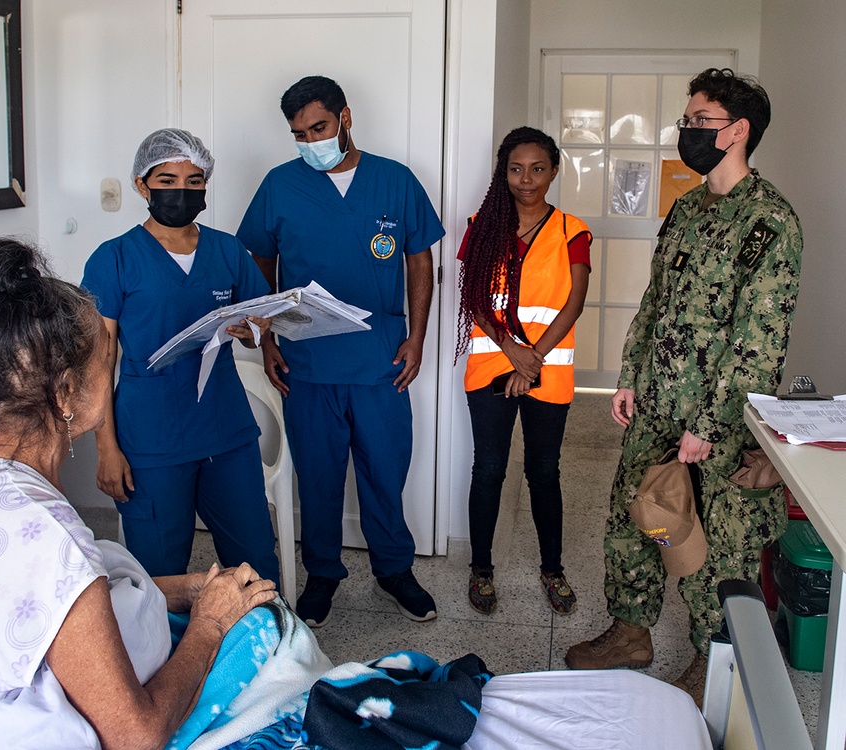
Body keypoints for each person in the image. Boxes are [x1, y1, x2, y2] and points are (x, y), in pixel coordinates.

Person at [0, 239, 278, 749]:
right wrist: (210, 622)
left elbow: (44, 603)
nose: (111, 367)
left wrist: (186, 588)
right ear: (66, 392)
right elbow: (136, 735)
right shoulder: (46, 534)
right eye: (106, 358)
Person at [565, 68, 803, 705]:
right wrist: (629, 379)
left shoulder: (770, 221)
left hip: (713, 422)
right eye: (687, 120)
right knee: (631, 519)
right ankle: (630, 631)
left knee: (707, 543)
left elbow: (758, 341)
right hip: (656, 404)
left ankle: (713, 656)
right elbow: (655, 303)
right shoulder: (687, 207)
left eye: (700, 121)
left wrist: (707, 425)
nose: (686, 131)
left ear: (738, 131)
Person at [236, 75, 445, 628]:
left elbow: (420, 260)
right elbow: (258, 262)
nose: (310, 142)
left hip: (380, 360)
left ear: (345, 117)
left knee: (384, 471)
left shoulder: (395, 182)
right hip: (308, 365)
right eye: (299, 134)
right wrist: (270, 339)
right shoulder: (280, 186)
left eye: (319, 128)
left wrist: (417, 337)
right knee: (319, 477)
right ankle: (323, 573)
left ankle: (394, 568)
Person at [81, 129, 279, 584]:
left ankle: (267, 649)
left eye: (194, 182)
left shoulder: (227, 250)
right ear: (141, 184)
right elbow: (98, 360)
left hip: (225, 431)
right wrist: (107, 448)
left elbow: (255, 332)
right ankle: (168, 655)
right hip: (151, 439)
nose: (181, 192)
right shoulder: (114, 259)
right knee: (159, 573)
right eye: (167, 180)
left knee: (254, 562)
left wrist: (254, 329)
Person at [456, 127, 591, 616]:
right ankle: (481, 570)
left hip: (547, 369)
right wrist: (512, 350)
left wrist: (531, 360)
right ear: (503, 172)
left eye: (537, 169)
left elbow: (574, 301)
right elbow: (473, 297)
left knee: (543, 472)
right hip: (492, 363)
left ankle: (552, 570)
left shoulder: (571, 230)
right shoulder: (481, 224)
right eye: (516, 169)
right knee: (488, 469)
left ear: (553, 171)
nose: (526, 179)